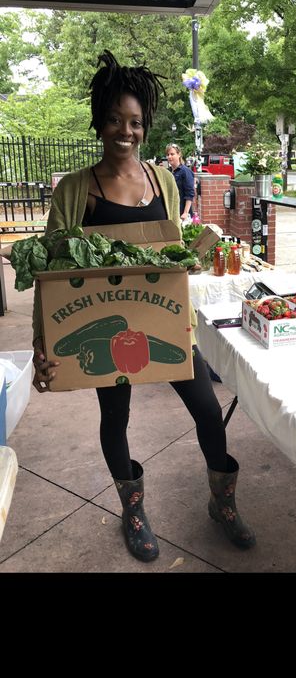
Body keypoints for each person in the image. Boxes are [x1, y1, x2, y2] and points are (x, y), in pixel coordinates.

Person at [31, 50, 255, 562]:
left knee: (205, 408)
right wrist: (43, 345)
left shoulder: (161, 181)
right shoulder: (76, 190)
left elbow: (172, 255)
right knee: (116, 416)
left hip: (163, 322)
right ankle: (133, 510)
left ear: (145, 127)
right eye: (114, 120)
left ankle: (221, 504)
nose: (124, 132)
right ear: (99, 123)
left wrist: (193, 257)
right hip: (106, 329)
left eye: (134, 122)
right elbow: (52, 276)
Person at [165, 142, 195, 222]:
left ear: (179, 155)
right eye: (168, 155)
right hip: (171, 212)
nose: (169, 157)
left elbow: (190, 194)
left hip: (182, 214)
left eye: (172, 154)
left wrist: (185, 212)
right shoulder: (168, 172)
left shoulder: (185, 171)